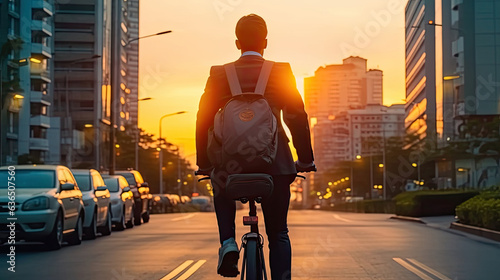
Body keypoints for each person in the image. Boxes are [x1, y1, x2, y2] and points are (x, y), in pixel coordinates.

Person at [196, 14, 315, 279]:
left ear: (237, 43)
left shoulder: (219, 73)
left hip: (229, 165)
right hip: (276, 165)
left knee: (220, 184)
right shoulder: (281, 71)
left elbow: (203, 119)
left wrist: (204, 163)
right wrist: (305, 159)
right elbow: (296, 117)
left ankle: (227, 242)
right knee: (278, 233)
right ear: (265, 42)